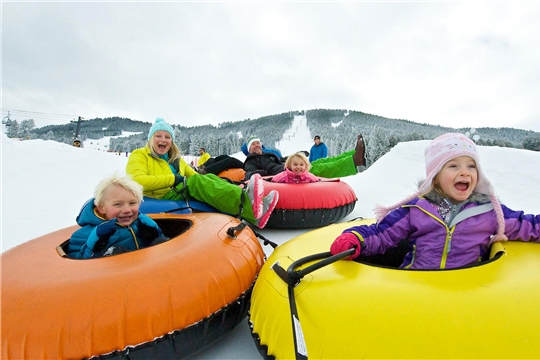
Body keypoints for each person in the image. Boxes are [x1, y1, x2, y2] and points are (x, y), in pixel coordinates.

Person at [330, 133, 540, 270]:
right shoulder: (416, 210)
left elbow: (526, 224)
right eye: (453, 166)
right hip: (417, 285)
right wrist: (356, 237)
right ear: (435, 176)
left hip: (467, 290)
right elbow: (383, 234)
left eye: (471, 166)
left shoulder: (489, 213)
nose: (464, 173)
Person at [126, 118, 278, 229]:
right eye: (158, 136)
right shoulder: (139, 155)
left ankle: (246, 196)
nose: (163, 140)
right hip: (161, 195)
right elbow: (136, 180)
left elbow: (194, 176)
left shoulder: (175, 159)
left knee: (207, 177)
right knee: (196, 182)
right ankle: (249, 207)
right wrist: (172, 179)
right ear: (151, 139)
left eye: (167, 137)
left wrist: (211, 181)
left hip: (177, 191)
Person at [68, 173, 166, 259]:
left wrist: (155, 235)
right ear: (101, 208)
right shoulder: (82, 235)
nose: (127, 210)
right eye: (118, 204)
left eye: (132, 203)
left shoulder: (140, 225)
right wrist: (91, 248)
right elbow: (76, 270)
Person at [243, 135, 366, 180]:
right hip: (287, 175)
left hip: (288, 168)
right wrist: (261, 174)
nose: (257, 145)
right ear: (249, 150)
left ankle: (353, 153)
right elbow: (249, 174)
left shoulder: (267, 156)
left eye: (258, 143)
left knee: (320, 161)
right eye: (253, 144)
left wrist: (297, 155)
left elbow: (282, 160)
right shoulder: (250, 161)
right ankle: (354, 161)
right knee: (320, 169)